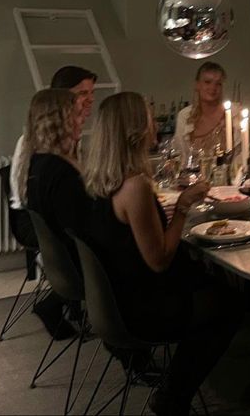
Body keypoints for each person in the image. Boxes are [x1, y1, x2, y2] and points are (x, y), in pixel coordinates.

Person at [81, 92, 241, 415]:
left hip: (113, 298)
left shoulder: (99, 181)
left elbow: (131, 241)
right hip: (142, 309)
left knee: (213, 280)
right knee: (229, 303)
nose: (156, 124)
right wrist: (182, 208)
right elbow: (160, 260)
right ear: (135, 129)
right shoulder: (135, 186)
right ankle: (173, 395)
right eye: (149, 117)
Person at [14, 89, 90, 339]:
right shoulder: (61, 173)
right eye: (77, 115)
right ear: (61, 121)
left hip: (62, 267)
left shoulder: (36, 163)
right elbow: (84, 230)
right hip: (83, 269)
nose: (82, 120)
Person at [9, 65, 97, 210]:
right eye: (82, 93)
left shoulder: (73, 141)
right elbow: (20, 199)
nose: (91, 99)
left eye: (92, 93)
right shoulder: (30, 144)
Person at [174, 61, 234, 159]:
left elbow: (242, 156)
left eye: (218, 83)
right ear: (197, 85)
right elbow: (179, 154)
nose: (213, 87)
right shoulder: (184, 116)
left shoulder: (232, 114)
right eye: (207, 82)